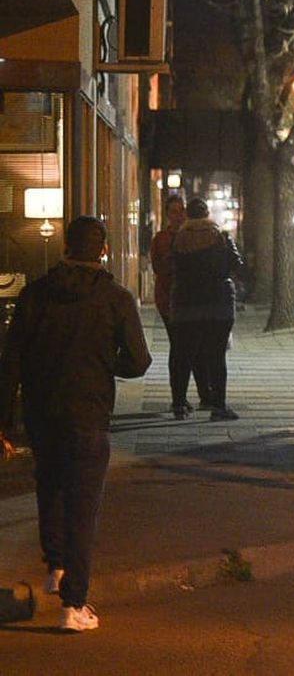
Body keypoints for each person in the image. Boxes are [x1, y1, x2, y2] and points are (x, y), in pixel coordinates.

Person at [0, 216, 152, 632]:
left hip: (42, 412)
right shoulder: (115, 299)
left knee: (49, 487)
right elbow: (139, 361)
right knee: (83, 506)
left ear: (66, 247)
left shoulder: (35, 294)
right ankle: (74, 605)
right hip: (88, 411)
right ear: (102, 250)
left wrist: (4, 421)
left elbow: (11, 359)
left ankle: (56, 567)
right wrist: (106, 364)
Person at [170, 197, 244, 422]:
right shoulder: (220, 236)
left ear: (188, 215)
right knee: (216, 356)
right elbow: (237, 264)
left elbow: (173, 267)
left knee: (183, 355)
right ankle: (218, 405)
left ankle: (179, 404)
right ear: (207, 214)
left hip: (186, 304)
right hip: (217, 304)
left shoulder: (179, 238)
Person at [150, 195, 207, 419]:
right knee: (180, 347)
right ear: (167, 215)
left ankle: (189, 397)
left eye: (181, 210)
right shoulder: (162, 239)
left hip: (189, 300)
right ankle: (179, 399)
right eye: (173, 211)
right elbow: (159, 268)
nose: (178, 215)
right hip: (169, 301)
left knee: (187, 347)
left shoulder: (193, 236)